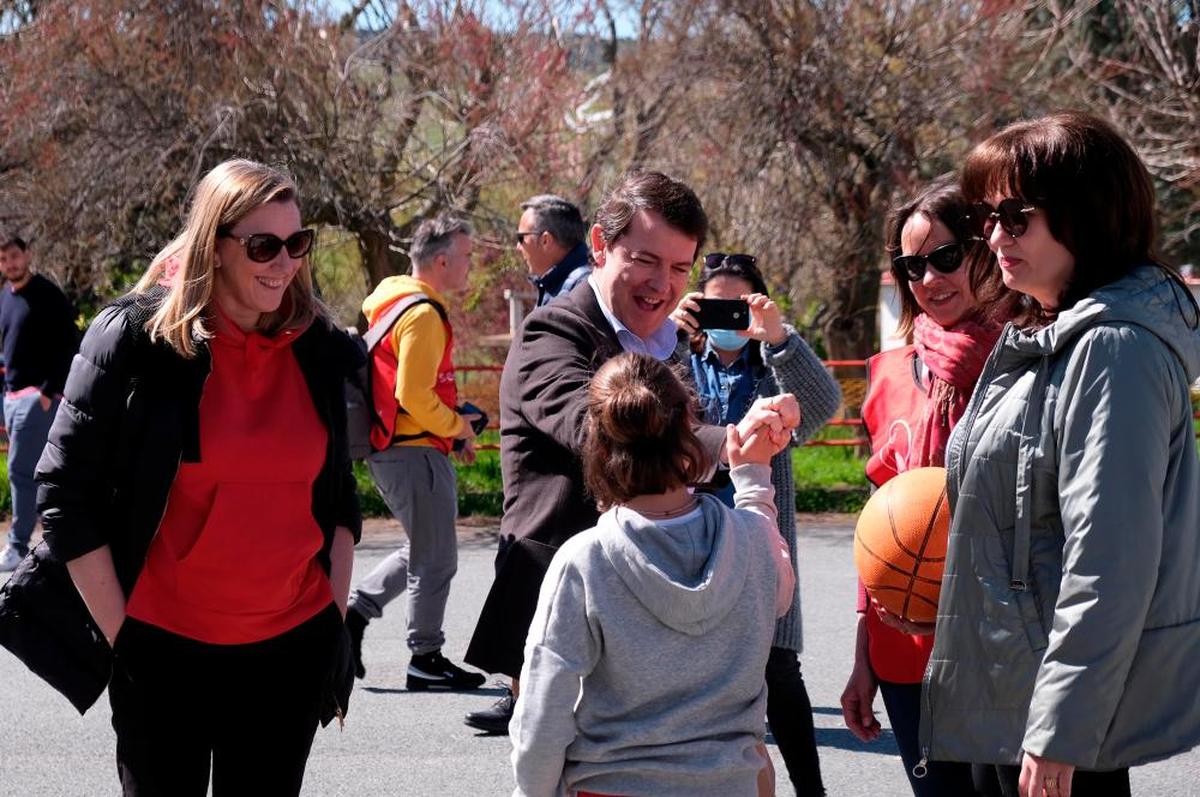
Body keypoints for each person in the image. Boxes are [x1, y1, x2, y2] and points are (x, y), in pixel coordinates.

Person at [29, 159, 361, 795]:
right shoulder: (134, 339)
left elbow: (338, 497)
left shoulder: (316, 347)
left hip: (289, 652)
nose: (285, 262)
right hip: (163, 652)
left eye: (297, 243)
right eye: (263, 244)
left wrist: (332, 620)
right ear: (215, 244)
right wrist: (126, 637)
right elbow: (62, 494)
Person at [922, 111, 1200, 797]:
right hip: (1008, 697)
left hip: (1054, 730)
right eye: (986, 217)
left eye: (1015, 216)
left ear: (1088, 213)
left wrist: (1059, 729)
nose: (994, 236)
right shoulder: (1050, 333)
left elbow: (1110, 561)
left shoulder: (1112, 350)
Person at [462, 171, 730, 734]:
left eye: (680, 268)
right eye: (646, 260)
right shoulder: (552, 332)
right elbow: (603, 434)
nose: (663, 283)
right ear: (600, 246)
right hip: (566, 596)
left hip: (657, 599)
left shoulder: (668, 342)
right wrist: (724, 442)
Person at [510, 352, 799, 797]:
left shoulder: (584, 560)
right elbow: (779, 590)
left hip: (610, 785)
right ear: (690, 424)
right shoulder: (753, 540)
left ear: (599, 444)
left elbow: (542, 714)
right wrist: (754, 479)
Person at [838, 176, 1006, 797]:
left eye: (945, 257)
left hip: (999, 654)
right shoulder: (888, 374)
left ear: (983, 250)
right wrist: (863, 658)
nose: (929, 279)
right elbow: (880, 526)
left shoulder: (1027, 364)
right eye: (912, 265)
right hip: (904, 652)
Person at [671, 253, 842, 796]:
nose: (726, 320)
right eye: (714, 303)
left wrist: (779, 336)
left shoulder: (772, 368)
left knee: (779, 672)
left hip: (758, 535)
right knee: (695, 676)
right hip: (687, 538)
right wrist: (667, 336)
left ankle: (810, 790)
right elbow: (640, 412)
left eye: (739, 306)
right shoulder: (676, 360)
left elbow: (820, 408)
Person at [344, 213, 486, 691]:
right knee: (437, 558)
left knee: (424, 546)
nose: (471, 265)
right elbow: (414, 395)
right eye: (466, 257)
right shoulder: (423, 314)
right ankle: (425, 657)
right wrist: (456, 425)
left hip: (403, 448)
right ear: (442, 260)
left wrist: (453, 433)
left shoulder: (394, 303)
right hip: (413, 451)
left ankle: (357, 612)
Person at [0, 235, 77, 572]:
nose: (10, 264)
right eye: (3, 259)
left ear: (27, 254)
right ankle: (49, 545)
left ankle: (18, 546)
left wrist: (47, 393)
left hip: (37, 399)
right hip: (11, 397)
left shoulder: (47, 295)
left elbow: (69, 345)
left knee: (20, 471)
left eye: (14, 256)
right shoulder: (5, 296)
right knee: (30, 472)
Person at [515, 194, 592, 307]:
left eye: (521, 238)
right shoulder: (555, 285)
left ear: (545, 240)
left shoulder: (581, 290)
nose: (518, 247)